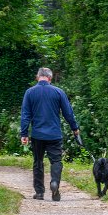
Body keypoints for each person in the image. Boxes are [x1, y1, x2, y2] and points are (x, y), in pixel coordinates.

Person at [20, 67, 79, 201]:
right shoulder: (58, 92)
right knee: (56, 161)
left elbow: (25, 115)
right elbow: (68, 113)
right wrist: (74, 128)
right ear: (50, 78)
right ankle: (55, 183)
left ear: (37, 77)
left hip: (37, 135)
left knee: (38, 162)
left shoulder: (29, 93)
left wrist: (24, 133)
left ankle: (39, 192)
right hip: (54, 135)